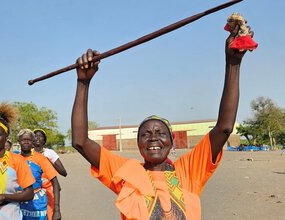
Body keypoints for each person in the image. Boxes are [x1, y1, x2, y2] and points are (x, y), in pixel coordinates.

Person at [71, 23, 252, 219]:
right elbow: (80, 141)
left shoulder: (189, 171)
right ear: (139, 143)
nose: (153, 139)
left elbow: (224, 128)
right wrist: (83, 83)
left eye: (160, 133)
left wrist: (233, 64)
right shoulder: (127, 173)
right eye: (145, 134)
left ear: (172, 140)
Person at [18, 129, 61, 220]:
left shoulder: (41, 158)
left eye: (29, 140)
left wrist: (56, 210)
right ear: (19, 141)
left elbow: (56, 183)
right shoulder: (14, 158)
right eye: (23, 140)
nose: (26, 142)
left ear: (32, 141)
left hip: (37, 204)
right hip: (18, 202)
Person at [33, 129, 66, 220]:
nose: (38, 138)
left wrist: (48, 163)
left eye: (40, 136)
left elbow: (64, 172)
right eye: (35, 136)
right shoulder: (28, 153)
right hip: (34, 190)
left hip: (48, 188)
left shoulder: (49, 153)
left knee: (49, 214)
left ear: (44, 140)